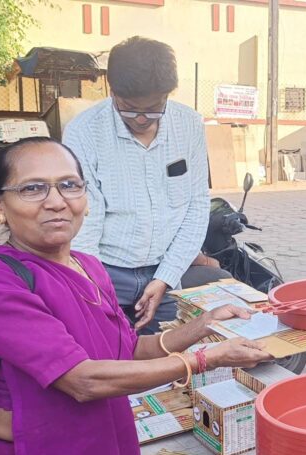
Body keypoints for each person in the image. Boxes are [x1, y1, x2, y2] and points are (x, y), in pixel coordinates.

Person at [0, 137, 272, 455]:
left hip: (101, 441)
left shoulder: (89, 267)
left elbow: (128, 351)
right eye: (32, 188)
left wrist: (203, 325)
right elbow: (83, 380)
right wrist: (206, 359)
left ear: (85, 199)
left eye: (69, 185)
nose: (56, 202)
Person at [64, 36, 228, 334]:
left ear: (167, 94)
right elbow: (84, 217)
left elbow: (195, 206)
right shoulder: (84, 131)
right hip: (105, 270)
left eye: (153, 108)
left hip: (164, 271)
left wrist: (165, 277)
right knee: (110, 352)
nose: (141, 118)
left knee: (167, 352)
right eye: (129, 108)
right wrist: (95, 284)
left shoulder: (189, 125)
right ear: (112, 91)